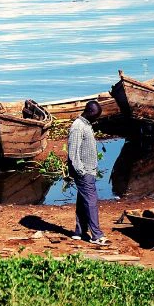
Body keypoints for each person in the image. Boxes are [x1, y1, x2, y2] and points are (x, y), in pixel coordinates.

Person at [68, 100, 108, 246]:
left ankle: (79, 232)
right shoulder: (78, 127)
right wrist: (81, 171)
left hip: (88, 170)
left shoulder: (86, 124)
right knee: (91, 201)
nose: (97, 118)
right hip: (84, 172)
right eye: (96, 115)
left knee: (82, 201)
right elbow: (73, 153)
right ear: (90, 112)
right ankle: (96, 235)